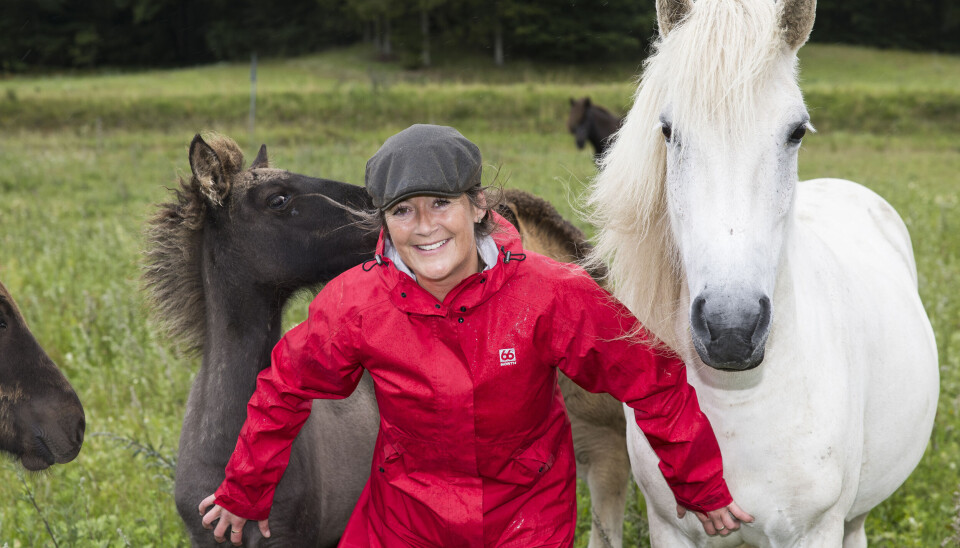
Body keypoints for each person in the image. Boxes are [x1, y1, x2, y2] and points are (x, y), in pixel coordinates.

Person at [199, 124, 753, 546]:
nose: (425, 226)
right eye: (403, 211)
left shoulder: (550, 293)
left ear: (477, 205)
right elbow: (283, 387)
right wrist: (246, 488)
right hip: (404, 518)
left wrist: (700, 486)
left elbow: (652, 378)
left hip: (525, 517)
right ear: (383, 223)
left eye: (441, 203)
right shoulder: (356, 304)